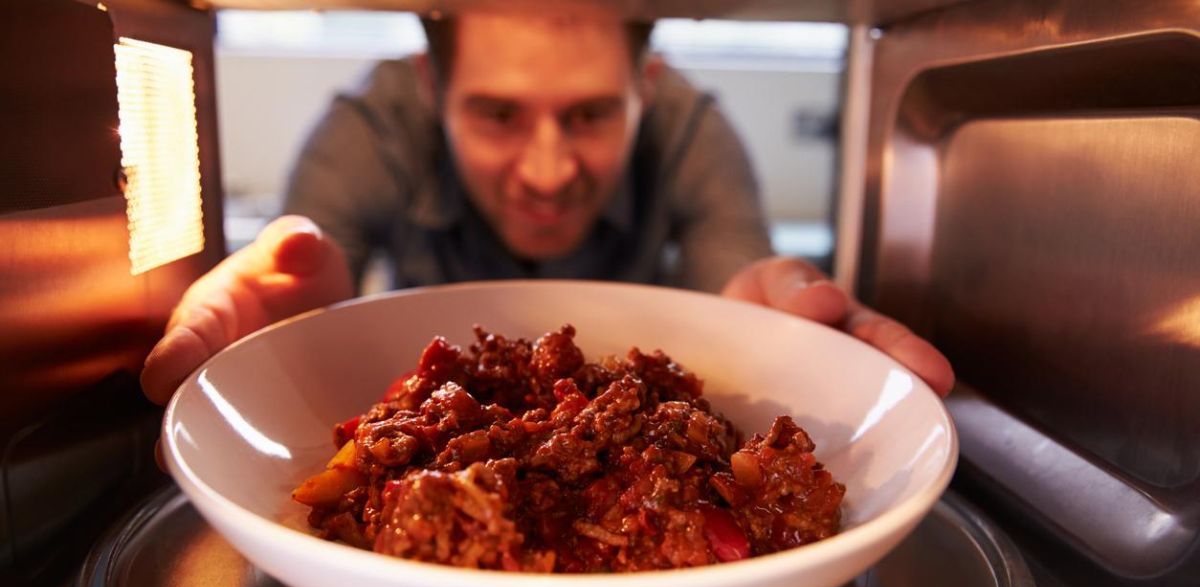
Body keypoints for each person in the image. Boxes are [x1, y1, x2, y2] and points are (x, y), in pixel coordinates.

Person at [140, 10, 954, 406]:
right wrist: (297, 337)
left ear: (645, 88)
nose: (547, 169)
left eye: (590, 114)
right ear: (432, 88)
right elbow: (312, 279)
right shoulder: (368, 127)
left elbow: (736, 278)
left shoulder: (692, 131)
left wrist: (777, 332)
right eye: (498, 115)